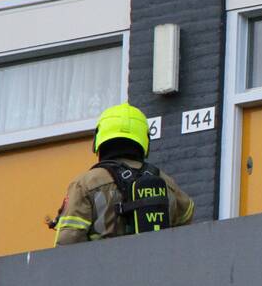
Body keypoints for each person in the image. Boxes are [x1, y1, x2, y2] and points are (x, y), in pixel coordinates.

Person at [53, 103, 194, 245]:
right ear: (144, 140)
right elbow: (186, 225)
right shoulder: (168, 184)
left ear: (99, 139)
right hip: (155, 264)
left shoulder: (85, 184)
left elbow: (67, 243)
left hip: (104, 265)